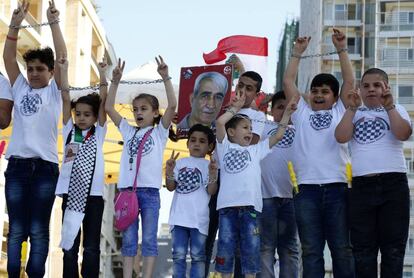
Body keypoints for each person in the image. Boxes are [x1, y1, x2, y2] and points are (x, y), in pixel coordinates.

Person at [283, 29, 356, 278]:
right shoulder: (300, 112)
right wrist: (296, 53)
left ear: (335, 97)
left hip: (337, 188)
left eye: (325, 92)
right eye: (315, 91)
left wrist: (342, 49)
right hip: (306, 191)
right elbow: (288, 83)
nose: (318, 95)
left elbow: (349, 82)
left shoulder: (340, 111)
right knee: (311, 250)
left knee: (342, 249)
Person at [3, 1, 66, 277]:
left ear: (50, 72)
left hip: (44, 169)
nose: (34, 73)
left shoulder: (55, 92)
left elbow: (63, 56)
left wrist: (54, 22)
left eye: (40, 69)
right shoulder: (19, 86)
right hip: (17, 166)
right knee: (16, 229)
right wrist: (15, 24)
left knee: (39, 230)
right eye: (30, 69)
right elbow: (7, 58)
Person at [335, 68, 411, 277]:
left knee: (394, 249)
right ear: (359, 89)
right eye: (366, 86)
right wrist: (351, 109)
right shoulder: (352, 112)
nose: (371, 90)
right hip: (361, 186)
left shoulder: (398, 109)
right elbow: (340, 137)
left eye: (377, 85)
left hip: (393, 184)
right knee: (363, 250)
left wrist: (390, 107)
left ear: (386, 87)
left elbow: (403, 133)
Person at [213, 88, 297, 278]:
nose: (250, 131)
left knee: (251, 249)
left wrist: (287, 116)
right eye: (245, 127)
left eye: (251, 128)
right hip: (227, 209)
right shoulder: (224, 146)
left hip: (251, 209)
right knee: (225, 247)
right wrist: (234, 109)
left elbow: (277, 136)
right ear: (231, 132)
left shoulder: (257, 149)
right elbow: (220, 122)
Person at [105, 56, 176, 278]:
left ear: (155, 112)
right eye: (135, 109)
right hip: (126, 192)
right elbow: (108, 107)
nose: (138, 113)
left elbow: (172, 105)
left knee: (148, 239)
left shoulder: (159, 132)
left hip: (150, 193)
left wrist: (165, 77)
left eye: (143, 108)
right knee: (128, 240)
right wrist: (115, 81)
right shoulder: (128, 130)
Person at [55, 54, 108, 277]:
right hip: (70, 194)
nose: (82, 118)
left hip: (94, 197)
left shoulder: (99, 134)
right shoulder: (70, 131)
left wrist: (104, 75)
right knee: (70, 246)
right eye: (78, 114)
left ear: (96, 117)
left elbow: (105, 102)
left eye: (87, 114)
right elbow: (66, 98)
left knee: (92, 248)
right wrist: (64, 70)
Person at [165, 124, 218, 278]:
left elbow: (211, 191)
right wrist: (169, 171)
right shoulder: (179, 163)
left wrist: (213, 173)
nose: (196, 143)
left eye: (202, 141)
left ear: (210, 146)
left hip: (199, 220)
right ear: (187, 144)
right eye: (193, 140)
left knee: (198, 257)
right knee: (178, 256)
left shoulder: (209, 165)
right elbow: (170, 187)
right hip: (178, 218)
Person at [257, 91, 300, 278]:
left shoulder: (301, 128)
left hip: (292, 198)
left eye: (288, 107)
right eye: (280, 107)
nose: (284, 111)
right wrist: (260, 104)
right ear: (271, 110)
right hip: (265, 197)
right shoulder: (263, 125)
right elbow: (249, 115)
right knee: (265, 247)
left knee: (289, 248)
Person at [236, 71, 266, 144]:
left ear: (256, 95)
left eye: (248, 89)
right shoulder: (224, 108)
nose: (242, 90)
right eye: (240, 85)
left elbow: (251, 144)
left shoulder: (258, 116)